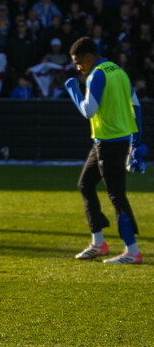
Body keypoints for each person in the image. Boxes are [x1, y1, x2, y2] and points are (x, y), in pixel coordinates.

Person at [64, 37, 144, 264]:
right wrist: (136, 142)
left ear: (89, 57)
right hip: (109, 140)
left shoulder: (97, 75)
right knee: (85, 184)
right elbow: (136, 106)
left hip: (109, 142)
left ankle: (132, 251)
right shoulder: (118, 70)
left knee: (116, 195)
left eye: (79, 62)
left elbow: (88, 111)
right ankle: (98, 243)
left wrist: (73, 90)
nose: (78, 68)